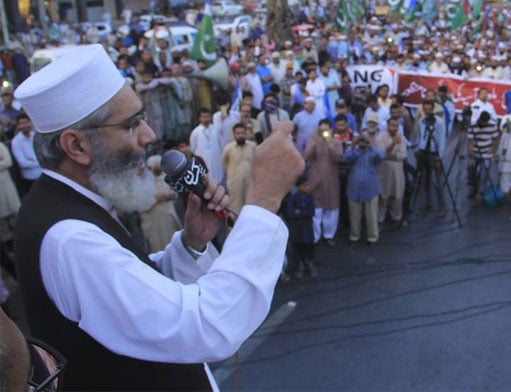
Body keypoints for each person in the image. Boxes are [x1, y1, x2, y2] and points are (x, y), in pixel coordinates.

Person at [13, 44, 304, 391]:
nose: (149, 136)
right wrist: (264, 199)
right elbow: (205, 326)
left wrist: (191, 245)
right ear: (76, 147)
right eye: (132, 124)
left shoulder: (74, 207)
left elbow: (134, 301)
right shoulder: (70, 239)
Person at [304, 119, 343, 245]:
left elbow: (338, 158)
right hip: (316, 181)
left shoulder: (336, 143)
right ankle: (315, 236)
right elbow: (306, 156)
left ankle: (328, 235)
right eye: (321, 130)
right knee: (316, 210)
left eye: (326, 130)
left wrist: (329, 144)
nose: (324, 133)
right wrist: (315, 141)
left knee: (331, 210)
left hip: (331, 181)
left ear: (331, 130)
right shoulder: (313, 142)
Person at [344, 133, 384, 244]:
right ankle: (354, 236)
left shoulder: (372, 151)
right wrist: (353, 145)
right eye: (361, 140)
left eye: (364, 140)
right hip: (354, 188)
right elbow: (346, 158)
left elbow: (381, 156)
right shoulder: (352, 150)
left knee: (371, 216)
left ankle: (372, 237)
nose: (362, 143)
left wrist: (370, 145)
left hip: (370, 188)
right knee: (354, 216)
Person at [139, 155, 182, 253]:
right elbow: (141, 204)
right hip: (155, 225)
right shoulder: (142, 183)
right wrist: (156, 199)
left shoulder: (165, 177)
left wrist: (167, 195)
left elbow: (174, 193)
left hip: (169, 218)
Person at [416, 99, 447, 217]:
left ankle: (441, 206)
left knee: (437, 182)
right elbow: (420, 136)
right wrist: (418, 149)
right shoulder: (421, 121)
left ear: (433, 109)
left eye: (429, 108)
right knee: (425, 180)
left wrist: (440, 157)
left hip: (434, 153)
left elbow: (442, 139)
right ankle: (427, 202)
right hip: (423, 152)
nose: (427, 111)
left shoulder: (439, 122)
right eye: (425, 108)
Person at [221, 123, 256, 220]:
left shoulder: (252, 147)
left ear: (246, 133)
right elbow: (224, 164)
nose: (240, 135)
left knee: (250, 208)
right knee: (235, 209)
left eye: (242, 133)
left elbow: (257, 163)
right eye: (238, 133)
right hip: (234, 184)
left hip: (250, 183)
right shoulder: (228, 149)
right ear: (234, 134)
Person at [284, 176, 317, 278]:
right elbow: (291, 213)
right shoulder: (292, 199)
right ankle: (300, 266)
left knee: (309, 246)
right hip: (297, 228)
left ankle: (310, 264)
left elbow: (311, 212)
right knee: (298, 247)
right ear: (298, 186)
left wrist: (300, 212)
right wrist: (303, 212)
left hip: (307, 227)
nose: (307, 187)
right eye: (304, 185)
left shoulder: (310, 198)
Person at [376, 117, 407, 225]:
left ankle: (396, 217)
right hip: (384, 172)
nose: (394, 128)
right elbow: (381, 154)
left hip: (397, 172)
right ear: (388, 126)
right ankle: (380, 218)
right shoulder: (380, 137)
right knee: (383, 195)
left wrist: (390, 156)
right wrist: (393, 144)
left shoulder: (401, 138)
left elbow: (403, 155)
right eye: (392, 125)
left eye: (396, 126)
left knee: (398, 194)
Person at [467, 112, 501, 203]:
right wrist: (472, 157)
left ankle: (480, 193)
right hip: (476, 152)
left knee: (484, 173)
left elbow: (495, 139)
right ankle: (474, 186)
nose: (484, 125)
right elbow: (470, 142)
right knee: (470, 168)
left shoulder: (492, 126)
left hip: (487, 153)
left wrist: (493, 149)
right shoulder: (473, 126)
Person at [189, 108, 224, 184]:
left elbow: (220, 145)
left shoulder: (216, 129)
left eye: (208, 116)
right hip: (204, 162)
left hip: (216, 161)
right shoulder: (195, 132)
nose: (206, 119)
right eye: (204, 117)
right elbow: (192, 149)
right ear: (199, 118)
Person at [10, 112, 42, 196]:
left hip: (43, 174)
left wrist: (32, 160)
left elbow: (42, 153)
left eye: (26, 122)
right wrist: (39, 161)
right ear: (18, 126)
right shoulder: (16, 142)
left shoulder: (35, 135)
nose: (24, 125)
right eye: (21, 123)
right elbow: (22, 163)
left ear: (30, 123)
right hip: (30, 179)